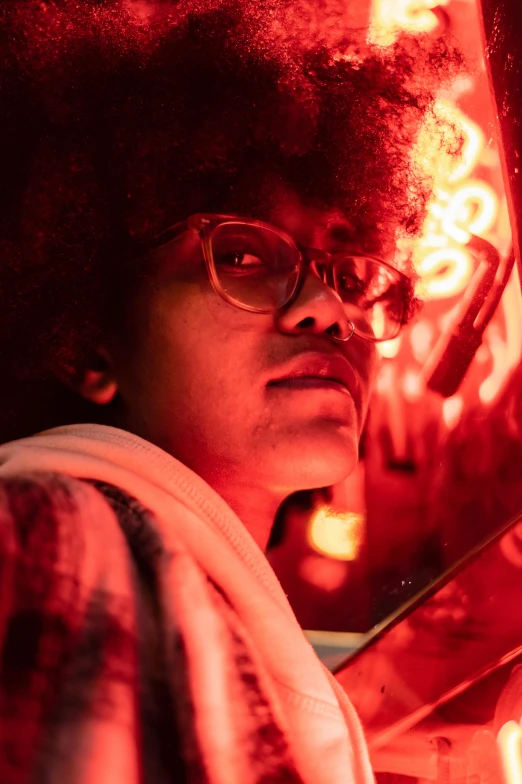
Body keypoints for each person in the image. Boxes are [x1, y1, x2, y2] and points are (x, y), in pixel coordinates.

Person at [0, 1, 460, 781]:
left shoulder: (194, 586)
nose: (329, 310)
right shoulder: (57, 536)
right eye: (242, 255)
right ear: (88, 347)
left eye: (348, 273)